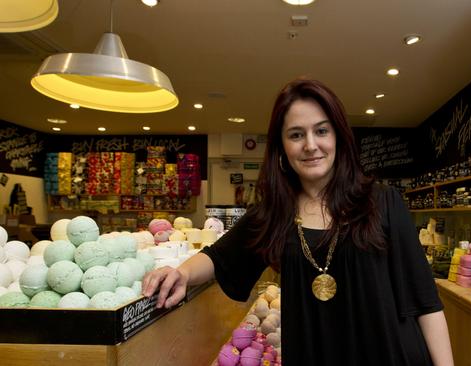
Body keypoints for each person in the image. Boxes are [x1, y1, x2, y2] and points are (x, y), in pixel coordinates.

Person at [143, 78, 454, 365]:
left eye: (321, 130)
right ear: (282, 147)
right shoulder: (275, 213)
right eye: (296, 134)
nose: (310, 144)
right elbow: (219, 257)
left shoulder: (383, 202)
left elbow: (426, 303)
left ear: (339, 137)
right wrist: (181, 273)